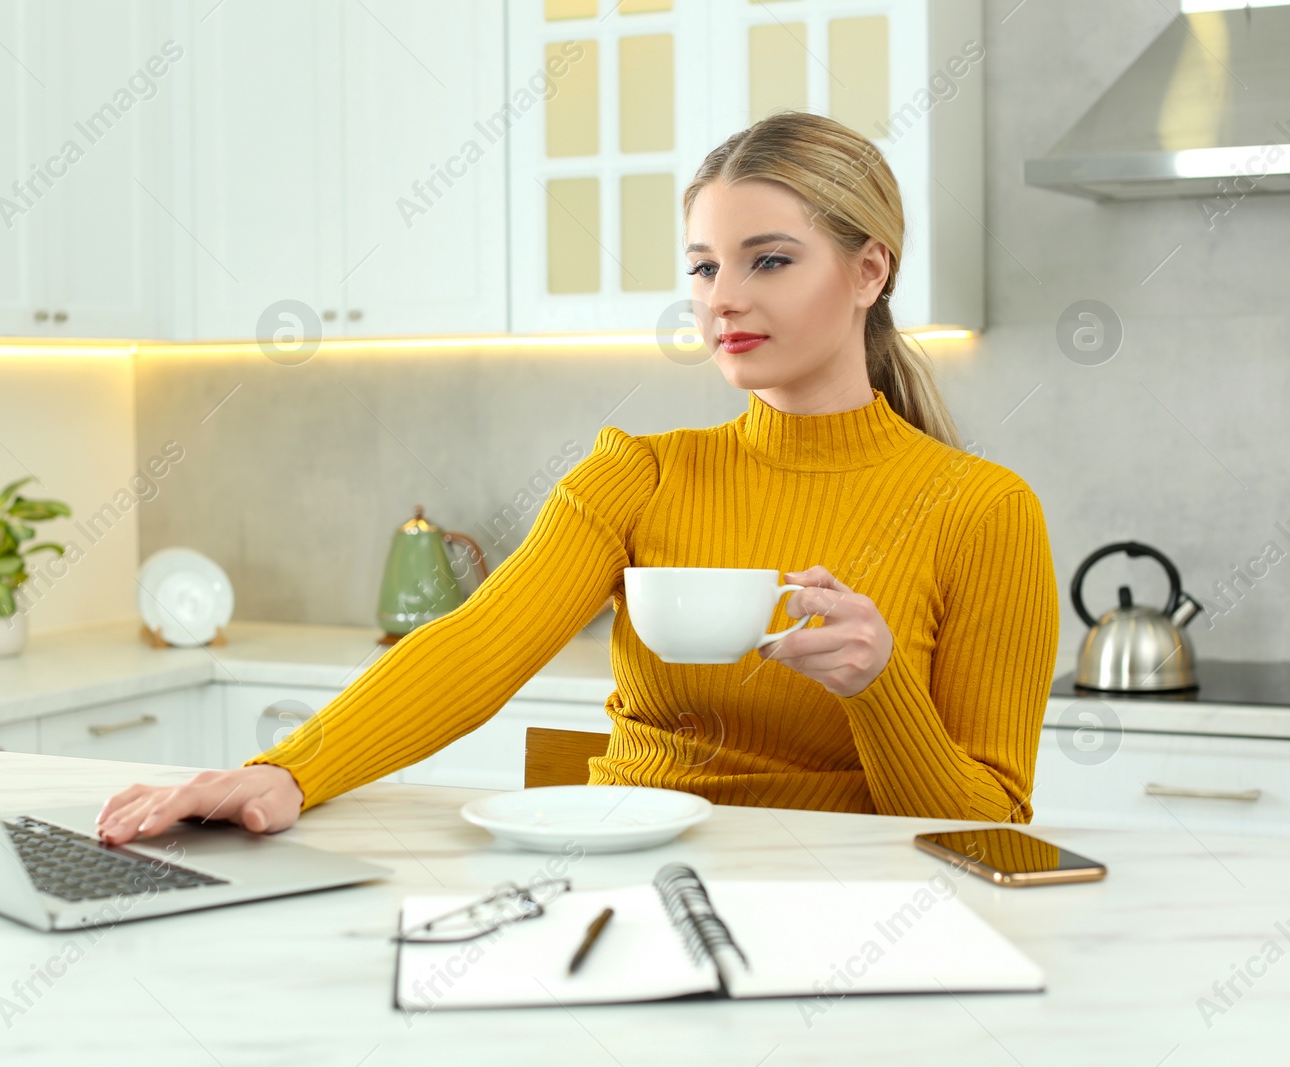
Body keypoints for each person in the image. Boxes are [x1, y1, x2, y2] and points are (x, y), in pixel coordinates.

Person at [97, 110, 1058, 844]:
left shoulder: (982, 511)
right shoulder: (637, 474)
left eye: (769, 260)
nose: (723, 298)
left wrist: (880, 685)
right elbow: (478, 646)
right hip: (627, 875)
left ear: (868, 271)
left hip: (855, 902)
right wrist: (290, 772)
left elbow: (990, 825)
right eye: (703, 266)